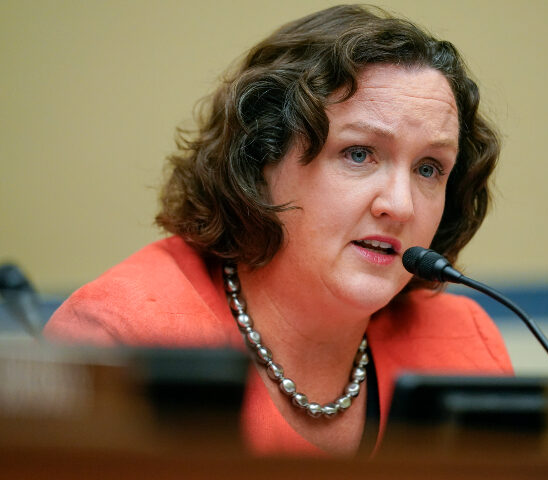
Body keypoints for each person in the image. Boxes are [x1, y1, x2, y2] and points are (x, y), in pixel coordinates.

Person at [44, 5, 512, 456]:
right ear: (261, 159)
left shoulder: (463, 347)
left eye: (429, 168)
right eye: (358, 153)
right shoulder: (122, 337)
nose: (400, 205)